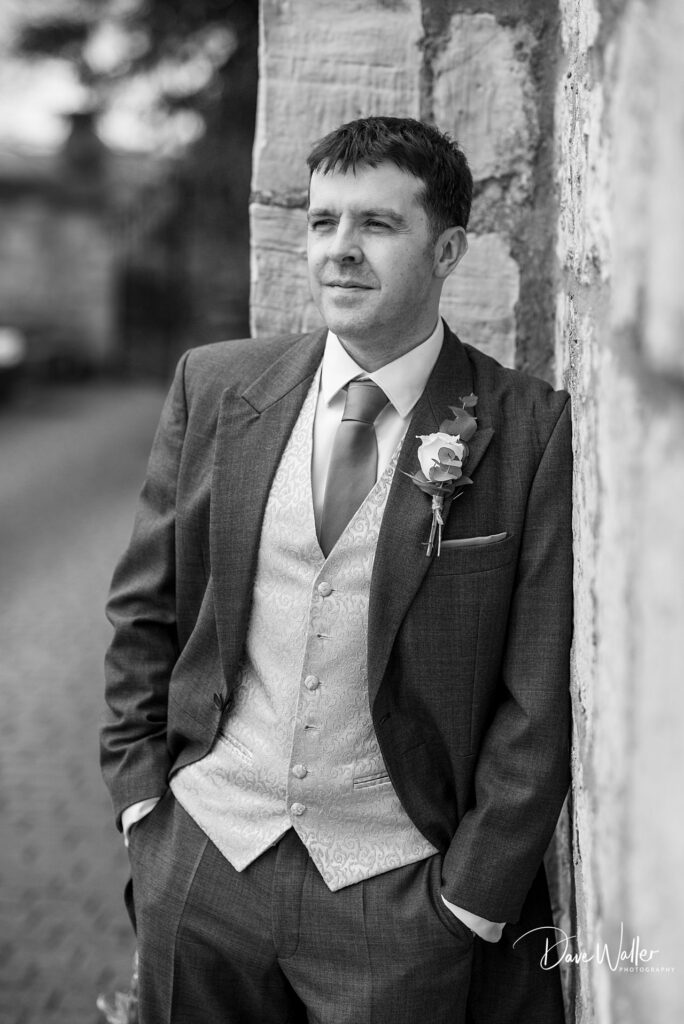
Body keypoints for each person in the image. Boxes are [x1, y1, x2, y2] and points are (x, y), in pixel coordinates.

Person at [101, 115, 573, 1024]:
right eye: (323, 223)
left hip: (397, 896)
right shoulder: (216, 385)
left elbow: (538, 692)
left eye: (376, 226)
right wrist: (141, 807)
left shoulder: (527, 428)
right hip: (202, 858)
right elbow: (144, 609)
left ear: (448, 249)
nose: (339, 252)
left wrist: (468, 900)